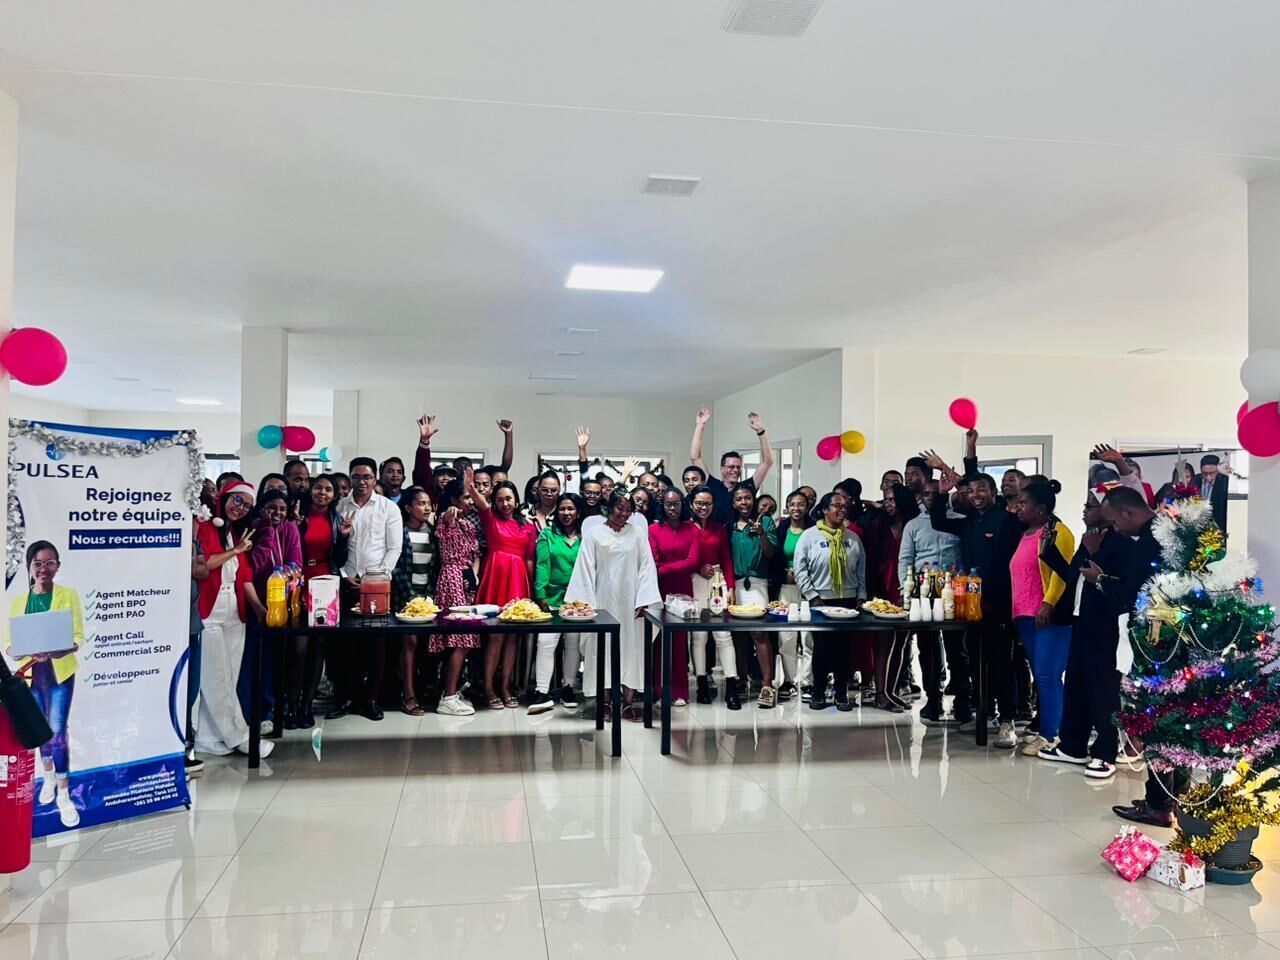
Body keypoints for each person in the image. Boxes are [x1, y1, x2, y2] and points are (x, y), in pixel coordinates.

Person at [1091, 487, 1179, 827]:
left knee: (1156, 723)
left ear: (1128, 513)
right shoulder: (1168, 532)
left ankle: (1159, 804)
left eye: (1114, 522)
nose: (1114, 528)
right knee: (1174, 720)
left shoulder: (1148, 545)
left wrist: (1101, 580)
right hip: (1176, 641)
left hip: (1157, 643)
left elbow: (1132, 595)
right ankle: (1173, 795)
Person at [1035, 489, 1128, 779]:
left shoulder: (1121, 541)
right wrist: (1050, 552)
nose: (1084, 511)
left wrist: (1095, 552)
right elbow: (1074, 576)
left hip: (1105, 625)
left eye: (1091, 506)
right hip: (1081, 620)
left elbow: (1116, 585)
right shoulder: (1089, 537)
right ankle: (1072, 745)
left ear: (1109, 511)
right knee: (1076, 682)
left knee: (1103, 688)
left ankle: (1105, 753)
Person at [930, 470, 1025, 748]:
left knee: (1001, 662)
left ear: (993, 492)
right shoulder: (969, 521)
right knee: (976, 660)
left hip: (1000, 604)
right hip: (971, 604)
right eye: (970, 491)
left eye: (981, 490)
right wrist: (942, 493)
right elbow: (938, 521)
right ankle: (985, 713)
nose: (975, 495)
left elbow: (1012, 565)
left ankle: (1007, 720)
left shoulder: (1008, 521)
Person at [565, 492, 662, 720]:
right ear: (609, 508)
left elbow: (647, 567)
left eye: (629, 510)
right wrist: (587, 605)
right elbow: (584, 570)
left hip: (632, 604)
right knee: (603, 649)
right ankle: (606, 702)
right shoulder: (594, 534)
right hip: (602, 602)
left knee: (632, 648)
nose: (624, 514)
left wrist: (645, 600)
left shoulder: (637, 534)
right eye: (620, 508)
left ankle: (627, 703)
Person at [8, 540, 85, 826]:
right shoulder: (19, 601)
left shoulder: (68, 595)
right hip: (32, 675)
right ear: (29, 567)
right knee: (41, 732)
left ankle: (64, 793)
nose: (44, 569)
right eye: (38, 563)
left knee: (58, 733)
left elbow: (78, 636)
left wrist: (61, 649)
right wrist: (17, 651)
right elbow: (9, 642)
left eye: (49, 563)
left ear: (58, 566)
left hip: (59, 673)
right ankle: (49, 777)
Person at [194, 482, 273, 760]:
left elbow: (245, 576)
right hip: (210, 612)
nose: (240, 508)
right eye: (237, 500)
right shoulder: (203, 527)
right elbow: (202, 566)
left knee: (229, 677)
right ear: (224, 497)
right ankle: (240, 736)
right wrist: (236, 550)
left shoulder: (235, 532)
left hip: (234, 611)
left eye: (247, 505)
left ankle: (208, 738)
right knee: (216, 678)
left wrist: (259, 609)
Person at [329, 457, 403, 721]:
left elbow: (394, 548)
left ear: (375, 479)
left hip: (377, 585)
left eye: (367, 477)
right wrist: (344, 575)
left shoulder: (388, 508)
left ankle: (371, 699)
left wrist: (376, 578)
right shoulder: (339, 506)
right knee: (347, 646)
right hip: (346, 581)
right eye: (357, 477)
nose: (361, 482)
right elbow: (334, 547)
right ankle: (348, 697)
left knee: (376, 644)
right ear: (350, 478)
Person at [1007, 480, 1075, 757]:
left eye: (1024, 504)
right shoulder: (1025, 533)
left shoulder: (1058, 532)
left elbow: (1061, 573)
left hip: (1048, 615)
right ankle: (1048, 727)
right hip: (1025, 615)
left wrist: (1048, 604)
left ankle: (1051, 735)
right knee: (1041, 675)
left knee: (1048, 675)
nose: (1018, 508)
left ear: (1041, 508)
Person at [900, 479, 969, 724]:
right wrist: (905, 590)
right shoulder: (913, 525)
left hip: (954, 590)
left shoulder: (958, 520)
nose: (931, 498)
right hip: (922, 590)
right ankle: (933, 698)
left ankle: (962, 699)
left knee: (957, 648)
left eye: (935, 494)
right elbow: (905, 559)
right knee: (927, 647)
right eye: (927, 494)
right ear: (921, 496)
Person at [466, 468, 536, 709]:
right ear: (494, 502)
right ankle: (488, 687)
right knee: (495, 637)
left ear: (516, 500)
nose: (505, 503)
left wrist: (530, 591)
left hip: (518, 581)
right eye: (500, 499)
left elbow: (530, 559)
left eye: (509, 498)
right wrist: (471, 488)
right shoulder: (490, 518)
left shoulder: (528, 526)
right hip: (495, 578)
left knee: (512, 637)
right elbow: (480, 503)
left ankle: (505, 686)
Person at [794, 493, 868, 711]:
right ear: (825, 510)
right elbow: (800, 569)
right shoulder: (809, 536)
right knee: (821, 648)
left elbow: (861, 570)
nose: (842, 510)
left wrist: (861, 596)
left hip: (848, 600)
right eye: (837, 506)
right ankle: (818, 691)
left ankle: (841, 692)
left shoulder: (852, 538)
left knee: (844, 649)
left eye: (845, 506)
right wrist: (812, 596)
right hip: (821, 600)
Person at [294, 475, 349, 727]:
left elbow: (339, 558)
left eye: (328, 490)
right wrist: (295, 526)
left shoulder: (336, 519)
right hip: (297, 580)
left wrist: (344, 537)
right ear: (311, 490)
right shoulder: (298, 514)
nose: (322, 493)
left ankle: (306, 705)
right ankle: (292, 703)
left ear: (334, 495)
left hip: (325, 582)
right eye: (318, 488)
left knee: (319, 645)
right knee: (298, 647)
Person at [861, 484, 915, 712]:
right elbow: (871, 561)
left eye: (892, 500)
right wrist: (872, 595)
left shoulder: (913, 524)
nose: (888, 504)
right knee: (884, 643)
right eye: (885, 500)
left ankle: (891, 691)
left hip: (907, 589)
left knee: (901, 643)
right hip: (883, 589)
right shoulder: (878, 524)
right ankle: (880, 694)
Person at [687, 485, 741, 708]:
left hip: (718, 582)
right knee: (699, 636)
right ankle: (701, 683)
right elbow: (682, 557)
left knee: (723, 635)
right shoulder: (686, 527)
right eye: (699, 503)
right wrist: (698, 567)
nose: (703, 507)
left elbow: (726, 558)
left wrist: (731, 587)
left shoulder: (719, 528)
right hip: (694, 582)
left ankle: (731, 685)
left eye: (708, 503)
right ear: (691, 504)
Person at [532, 493, 586, 714]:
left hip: (577, 601)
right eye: (562, 509)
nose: (566, 513)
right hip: (551, 599)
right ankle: (542, 691)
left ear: (578, 512)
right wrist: (540, 594)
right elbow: (542, 565)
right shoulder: (547, 534)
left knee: (573, 644)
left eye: (571, 509)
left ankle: (568, 688)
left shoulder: (585, 536)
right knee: (545, 643)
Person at [432, 478, 481, 716]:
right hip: (451, 580)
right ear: (454, 500)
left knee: (465, 641)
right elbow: (445, 521)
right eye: (466, 497)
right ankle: (448, 697)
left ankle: (451, 692)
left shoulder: (469, 525)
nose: (471, 501)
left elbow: (476, 554)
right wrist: (450, 513)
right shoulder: (446, 518)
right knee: (461, 640)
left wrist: (475, 576)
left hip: (467, 579)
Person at [727, 484, 778, 706]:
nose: (744, 503)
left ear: (753, 500)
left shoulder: (764, 522)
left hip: (757, 584)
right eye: (739, 499)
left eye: (747, 498)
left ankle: (767, 684)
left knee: (760, 633)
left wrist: (762, 534)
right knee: (738, 635)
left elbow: (770, 552)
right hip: (735, 584)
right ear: (733, 503)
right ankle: (741, 678)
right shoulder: (729, 525)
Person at [649, 488, 699, 707]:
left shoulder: (692, 529)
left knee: (679, 642)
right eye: (668, 504)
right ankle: (661, 692)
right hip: (660, 590)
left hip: (684, 590)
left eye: (676, 503)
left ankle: (680, 692)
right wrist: (671, 567)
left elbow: (693, 561)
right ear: (662, 505)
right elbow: (653, 561)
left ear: (682, 504)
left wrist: (665, 568)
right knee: (660, 641)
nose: (672, 508)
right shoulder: (653, 529)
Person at [688, 407, 774, 526]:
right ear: (722, 469)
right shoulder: (712, 485)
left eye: (738, 467)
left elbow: (767, 462)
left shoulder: (747, 488)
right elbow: (695, 457)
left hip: (741, 536)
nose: (735, 470)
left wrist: (761, 431)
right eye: (731, 467)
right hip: (716, 536)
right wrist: (700, 425)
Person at [391, 486, 436, 716]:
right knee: (409, 642)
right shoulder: (399, 532)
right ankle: (408, 696)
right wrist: (412, 598)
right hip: (405, 597)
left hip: (427, 599)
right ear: (408, 508)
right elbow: (396, 568)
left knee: (426, 646)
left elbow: (435, 568)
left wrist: (428, 597)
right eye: (421, 503)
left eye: (428, 503)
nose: (426, 508)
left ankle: (422, 689)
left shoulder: (433, 533)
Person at [768, 490, 812, 702]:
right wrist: (784, 573)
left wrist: (803, 574)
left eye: (801, 504)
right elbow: (774, 558)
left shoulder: (814, 528)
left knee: (809, 637)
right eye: (792, 504)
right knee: (786, 637)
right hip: (786, 588)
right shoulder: (781, 528)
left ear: (807, 506)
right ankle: (789, 680)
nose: (796, 508)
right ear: (787, 507)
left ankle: (809, 681)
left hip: (809, 589)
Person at [413, 414, 514, 501]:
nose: (463, 471)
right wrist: (424, 441)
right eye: (458, 468)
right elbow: (422, 469)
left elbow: (504, 467)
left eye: (466, 467)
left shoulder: (478, 489)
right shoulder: (437, 493)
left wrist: (508, 434)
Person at [1198, 454, 1231, 533]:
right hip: (1199, 526)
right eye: (1205, 473)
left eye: (1212, 473)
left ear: (1218, 470)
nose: (1208, 477)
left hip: (1218, 527)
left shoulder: (1225, 482)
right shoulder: (1196, 480)